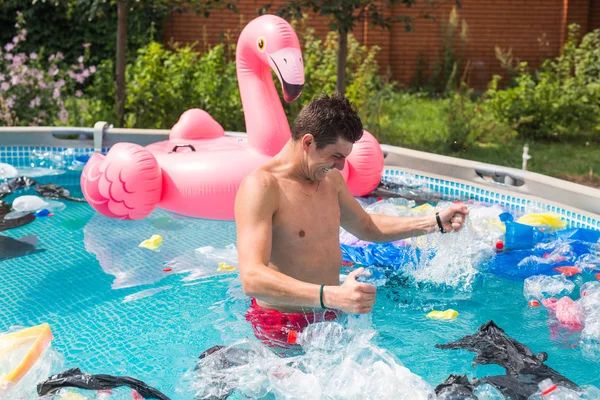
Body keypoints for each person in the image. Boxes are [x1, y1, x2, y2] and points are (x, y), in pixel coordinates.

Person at [234, 92, 469, 347]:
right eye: (336, 156)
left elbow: (367, 227)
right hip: (282, 326)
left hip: (331, 313)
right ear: (308, 142)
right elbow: (252, 277)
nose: (341, 166)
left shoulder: (330, 181)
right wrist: (331, 296)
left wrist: (434, 222)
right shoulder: (262, 186)